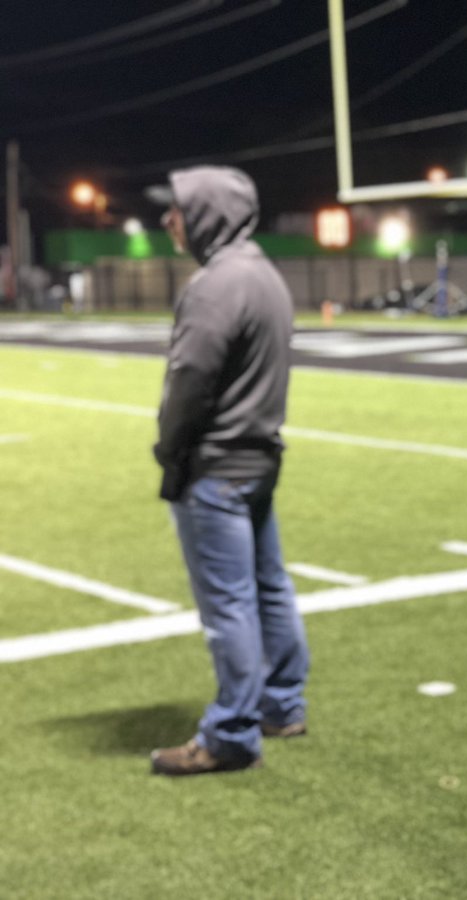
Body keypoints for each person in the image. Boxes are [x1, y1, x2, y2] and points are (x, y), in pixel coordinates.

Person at [147, 165, 310, 776]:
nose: (169, 219)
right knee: (268, 587)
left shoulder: (216, 283)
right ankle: (282, 704)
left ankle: (232, 734)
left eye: (179, 208)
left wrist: (168, 452)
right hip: (259, 460)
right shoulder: (264, 274)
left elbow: (188, 383)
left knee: (230, 606)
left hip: (215, 465)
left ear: (207, 213)